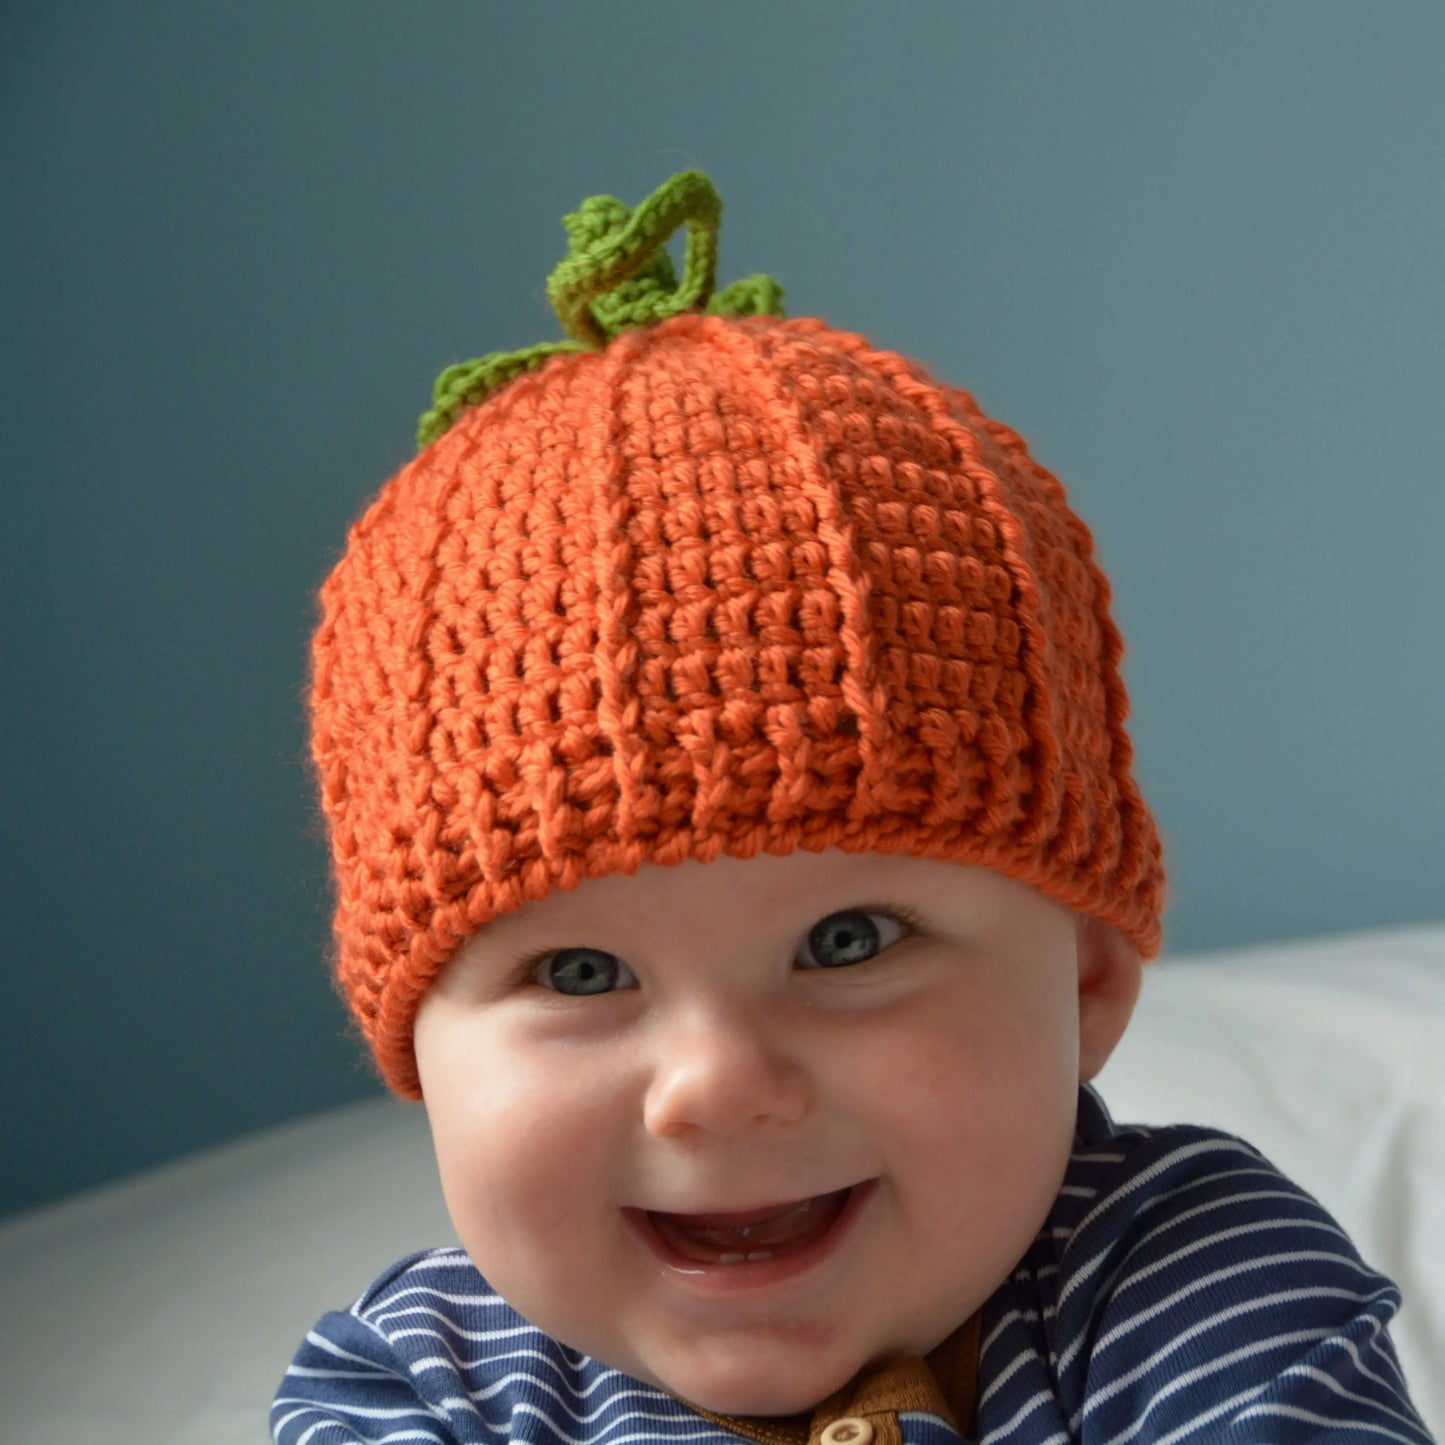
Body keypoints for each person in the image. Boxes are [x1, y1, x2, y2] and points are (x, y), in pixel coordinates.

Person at [272, 172, 1434, 1444]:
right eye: (577, 966)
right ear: (421, 1056)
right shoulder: (413, 1385)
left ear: (1090, 979)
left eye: (848, 940)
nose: (715, 1085)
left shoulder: (1190, 1281)